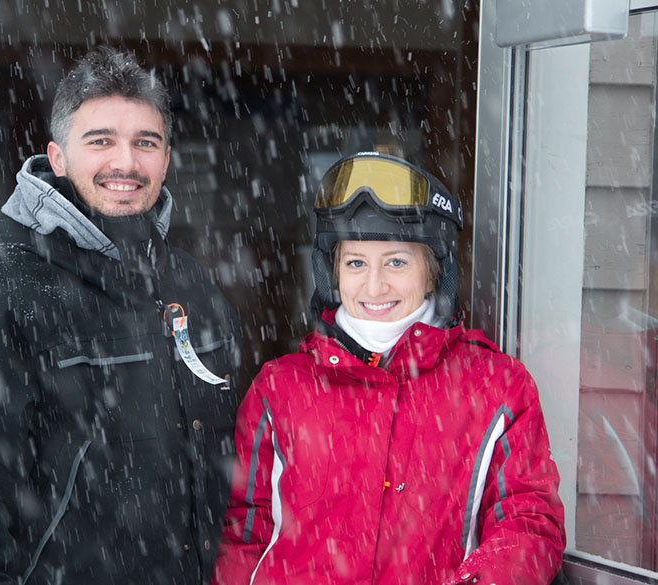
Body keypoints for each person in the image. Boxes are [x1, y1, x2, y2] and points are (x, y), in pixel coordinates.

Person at [0, 46, 242, 585]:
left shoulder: (193, 289)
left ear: (167, 158)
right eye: (100, 141)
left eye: (144, 143)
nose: (126, 163)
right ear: (58, 158)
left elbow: (229, 476)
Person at [212, 152, 565, 585]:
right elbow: (243, 533)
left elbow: (528, 522)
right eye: (356, 262)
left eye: (397, 262)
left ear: (434, 273)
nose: (374, 286)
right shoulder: (280, 388)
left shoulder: (496, 386)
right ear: (332, 273)